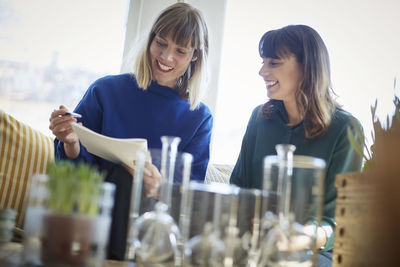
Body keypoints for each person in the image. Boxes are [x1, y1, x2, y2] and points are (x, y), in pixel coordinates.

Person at [49, 2, 212, 260]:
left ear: (195, 56)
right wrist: (70, 142)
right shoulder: (104, 91)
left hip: (152, 228)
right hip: (90, 209)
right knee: (120, 179)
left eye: (180, 51)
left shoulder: (200, 118)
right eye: (161, 43)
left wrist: (159, 188)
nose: (166, 57)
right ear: (150, 40)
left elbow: (190, 197)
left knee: (132, 185)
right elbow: (70, 173)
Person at [229, 25, 363, 266]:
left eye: (274, 62)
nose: (262, 71)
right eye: (263, 61)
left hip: (315, 255)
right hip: (255, 246)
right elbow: (239, 189)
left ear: (307, 67)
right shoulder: (259, 119)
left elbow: (340, 222)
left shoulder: (346, 129)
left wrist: (300, 239)